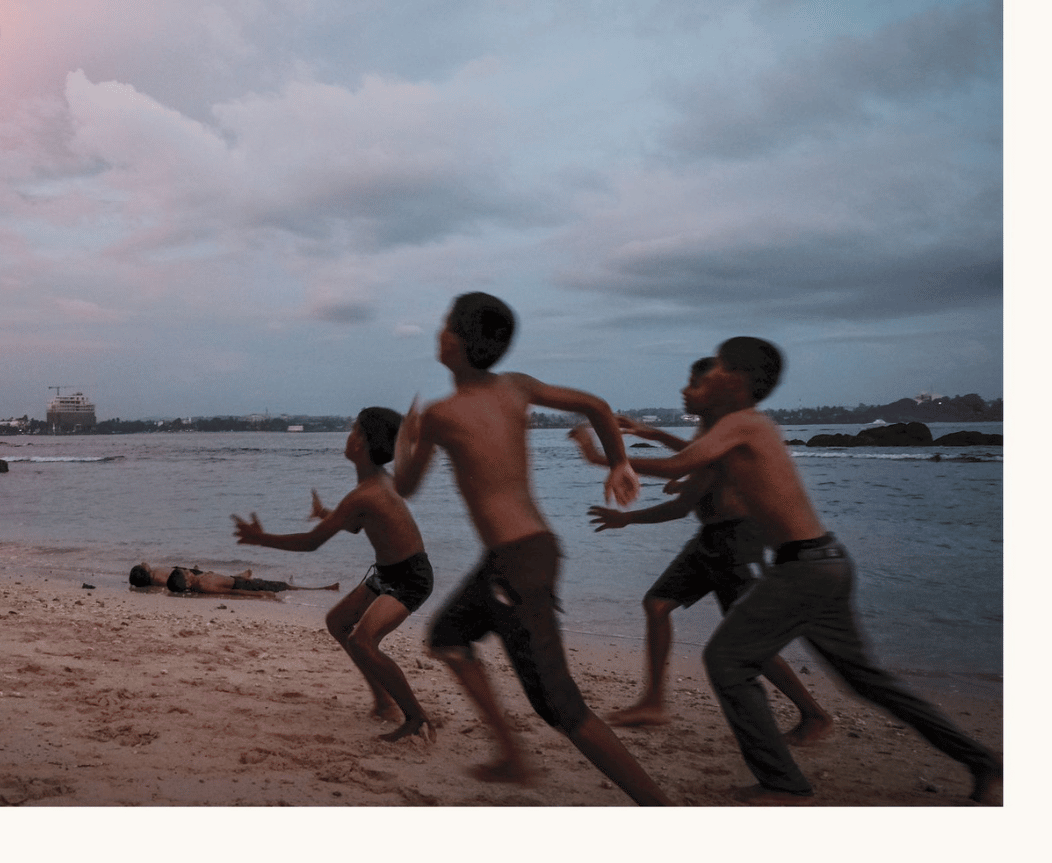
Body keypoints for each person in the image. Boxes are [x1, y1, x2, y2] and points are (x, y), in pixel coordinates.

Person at [605, 336, 1002, 805]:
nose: (704, 376)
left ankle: (783, 784)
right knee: (866, 680)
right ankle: (984, 762)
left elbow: (681, 462)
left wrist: (608, 458)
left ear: (736, 380)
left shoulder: (744, 424)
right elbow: (692, 465)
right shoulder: (744, 427)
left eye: (714, 370)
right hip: (824, 562)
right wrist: (641, 452)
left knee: (728, 661)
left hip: (805, 569)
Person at [392, 293, 670, 803]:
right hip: (525, 554)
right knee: (449, 637)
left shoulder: (440, 414)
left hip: (515, 566)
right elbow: (598, 406)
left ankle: (660, 807)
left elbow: (405, 488)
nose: (438, 331)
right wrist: (618, 463)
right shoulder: (516, 387)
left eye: (445, 325)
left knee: (563, 710)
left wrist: (406, 439)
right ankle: (513, 757)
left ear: (459, 342)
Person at [573, 359, 831, 742]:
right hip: (713, 539)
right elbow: (691, 454)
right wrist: (650, 432)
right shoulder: (715, 429)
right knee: (658, 604)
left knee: (746, 642)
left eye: (694, 384)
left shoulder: (733, 431)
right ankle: (654, 702)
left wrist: (606, 464)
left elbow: (681, 485)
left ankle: (814, 714)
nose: (684, 390)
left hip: (736, 542)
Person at [232, 407, 436, 742]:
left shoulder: (367, 492)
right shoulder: (373, 485)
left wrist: (260, 538)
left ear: (364, 445)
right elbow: (357, 525)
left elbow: (312, 544)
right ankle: (384, 701)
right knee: (338, 623)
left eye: (355, 430)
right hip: (387, 572)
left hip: (410, 577)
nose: (349, 436)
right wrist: (328, 514)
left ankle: (417, 717)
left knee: (363, 641)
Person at [128, 563, 339, 594]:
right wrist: (260, 596)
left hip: (198, 581)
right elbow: (233, 590)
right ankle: (322, 589)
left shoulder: (156, 577)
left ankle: (239, 575)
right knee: (282, 586)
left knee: (222, 578)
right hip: (241, 586)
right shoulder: (159, 575)